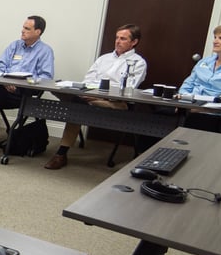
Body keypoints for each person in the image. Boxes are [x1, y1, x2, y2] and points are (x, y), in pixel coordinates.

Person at [44, 24, 147, 170]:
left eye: (123, 39)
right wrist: (90, 94)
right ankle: (77, 101)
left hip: (117, 104)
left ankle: (61, 154)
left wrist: (99, 96)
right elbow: (88, 80)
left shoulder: (138, 63)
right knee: (66, 94)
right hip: (90, 98)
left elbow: (127, 88)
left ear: (134, 42)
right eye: (117, 38)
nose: (118, 41)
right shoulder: (104, 58)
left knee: (76, 107)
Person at [0, 15, 54, 149]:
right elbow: (0, 65)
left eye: (27, 28)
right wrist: (5, 81)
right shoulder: (14, 45)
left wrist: (21, 83)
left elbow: (46, 78)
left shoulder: (45, 51)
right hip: (3, 88)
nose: (22, 30)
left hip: (24, 93)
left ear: (38, 32)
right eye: (23, 27)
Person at [176, 22, 221, 131]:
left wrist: (201, 108)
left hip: (214, 114)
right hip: (190, 107)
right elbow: (188, 84)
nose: (215, 41)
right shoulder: (204, 62)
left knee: (198, 122)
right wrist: (182, 98)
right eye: (215, 37)